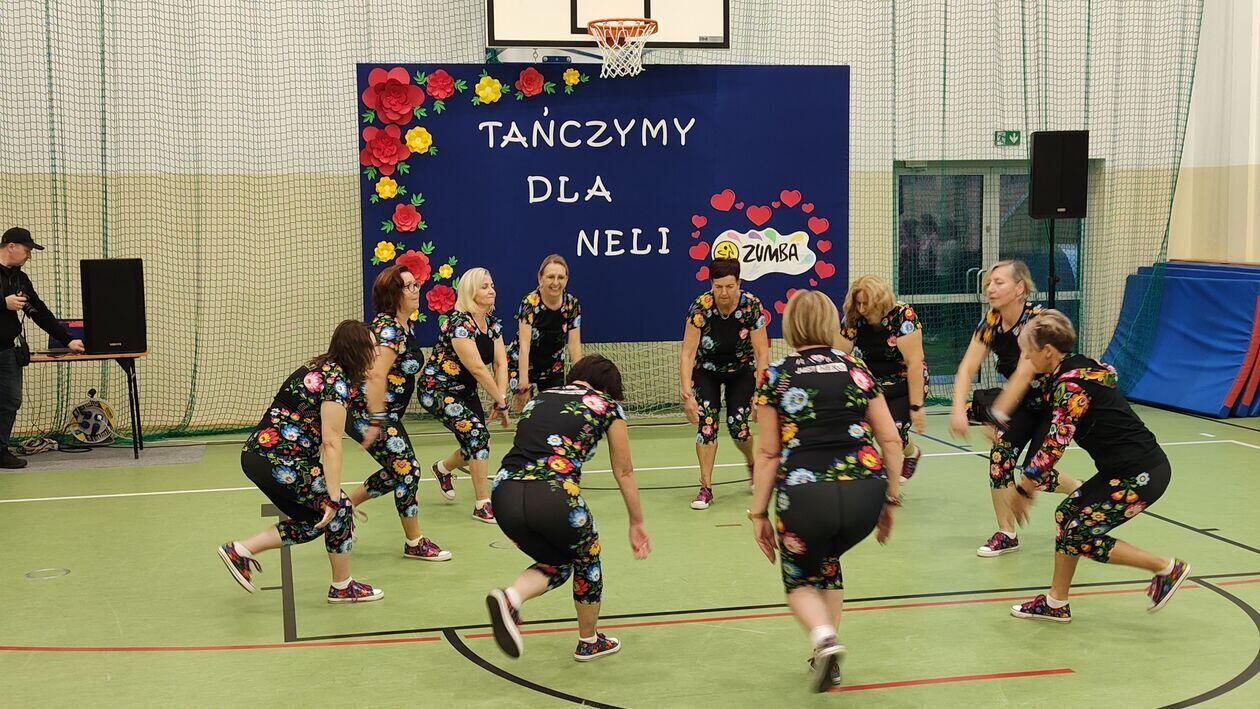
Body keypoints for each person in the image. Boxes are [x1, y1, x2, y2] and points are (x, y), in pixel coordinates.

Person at [749, 290, 904, 693]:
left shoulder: (776, 374)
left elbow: (767, 453)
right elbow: (891, 440)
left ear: (790, 325)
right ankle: (828, 662)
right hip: (865, 492)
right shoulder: (856, 368)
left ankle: (824, 639)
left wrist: (758, 513)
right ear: (830, 323)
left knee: (800, 579)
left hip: (806, 495)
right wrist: (889, 500)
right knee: (828, 561)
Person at [1005, 310, 1190, 622]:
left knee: (1080, 535)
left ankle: (1166, 568)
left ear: (1047, 351)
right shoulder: (1077, 368)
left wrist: (1024, 489)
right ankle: (1056, 603)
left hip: (1141, 474)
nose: (1025, 358)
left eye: (1027, 352)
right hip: (1119, 471)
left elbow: (1055, 443)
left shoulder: (1071, 385)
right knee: (1066, 516)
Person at [484, 355, 650, 662]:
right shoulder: (607, 405)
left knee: (558, 561)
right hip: (554, 494)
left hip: (503, 495)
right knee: (587, 557)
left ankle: (511, 597)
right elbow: (624, 471)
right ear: (607, 388)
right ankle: (589, 641)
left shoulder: (539, 399)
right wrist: (636, 522)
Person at [217, 320, 383, 603]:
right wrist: (334, 496)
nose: (378, 352)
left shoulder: (320, 367)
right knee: (338, 509)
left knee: (315, 521)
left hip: (259, 456)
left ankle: (241, 550)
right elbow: (331, 443)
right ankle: (342, 587)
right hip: (280, 459)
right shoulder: (335, 382)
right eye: (373, 346)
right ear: (356, 350)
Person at [948, 260, 1079, 557]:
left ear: (1019, 288)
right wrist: (957, 409)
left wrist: (997, 417)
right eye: (989, 283)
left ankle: (1077, 487)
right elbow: (967, 367)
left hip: (1052, 404)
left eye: (999, 282)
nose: (991, 288)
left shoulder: (1037, 322)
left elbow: (1023, 374)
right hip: (1022, 404)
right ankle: (1006, 533)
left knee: (1037, 474)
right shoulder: (991, 322)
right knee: (1000, 460)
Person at [343, 265, 450, 561]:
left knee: (396, 471)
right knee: (408, 470)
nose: (416, 290)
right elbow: (376, 375)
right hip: (370, 413)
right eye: (409, 286)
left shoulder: (402, 326)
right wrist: (376, 418)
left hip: (385, 414)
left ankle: (344, 506)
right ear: (393, 294)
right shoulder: (388, 329)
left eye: (416, 284)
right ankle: (414, 541)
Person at [420, 267, 510, 523]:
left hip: (464, 391)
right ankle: (482, 505)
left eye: (492, 285)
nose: (491, 290)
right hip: (437, 390)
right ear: (471, 292)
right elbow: (478, 369)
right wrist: (501, 403)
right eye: (484, 286)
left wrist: (500, 397)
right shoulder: (459, 324)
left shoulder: (492, 323)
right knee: (478, 438)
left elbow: (500, 363)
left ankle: (442, 469)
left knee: (481, 444)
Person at [679, 258, 769, 510]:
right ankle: (705, 487)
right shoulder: (700, 307)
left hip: (741, 370)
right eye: (718, 287)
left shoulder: (751, 306)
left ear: (739, 283)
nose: (724, 293)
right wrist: (687, 394)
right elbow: (687, 353)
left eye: (730, 286)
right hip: (707, 370)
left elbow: (762, 352)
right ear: (711, 284)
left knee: (739, 427)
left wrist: (760, 392)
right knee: (707, 425)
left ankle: (752, 463)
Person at [0, 227, 86, 468]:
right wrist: (2, 303)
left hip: (7, 350)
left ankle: (1, 450)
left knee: (10, 401)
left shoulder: (20, 278)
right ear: (11, 246)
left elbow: (39, 312)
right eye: (27, 250)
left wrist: (67, 339)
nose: (29, 256)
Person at [838, 275, 928, 483]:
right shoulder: (853, 318)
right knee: (865, 431)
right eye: (858, 303)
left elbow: (915, 363)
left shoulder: (903, 316)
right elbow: (841, 357)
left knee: (892, 433)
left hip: (903, 381)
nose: (862, 309)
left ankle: (889, 489)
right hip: (870, 383)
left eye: (866, 304)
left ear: (880, 301)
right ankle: (911, 453)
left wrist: (916, 407)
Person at [508, 254, 582, 408]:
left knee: (553, 409)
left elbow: (574, 345)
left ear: (566, 280)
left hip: (553, 365)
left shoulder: (572, 304)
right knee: (527, 410)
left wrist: (581, 378)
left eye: (560, 277)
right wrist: (523, 381)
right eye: (550, 277)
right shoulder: (530, 303)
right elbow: (524, 345)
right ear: (540, 278)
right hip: (523, 362)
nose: (555, 282)